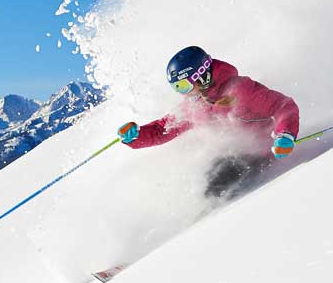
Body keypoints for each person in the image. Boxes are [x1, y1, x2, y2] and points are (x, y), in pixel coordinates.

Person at [116, 46, 301, 198]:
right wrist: (136, 136)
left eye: (183, 86)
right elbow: (162, 129)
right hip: (229, 155)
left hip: (264, 153)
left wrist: (285, 135)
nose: (183, 93)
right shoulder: (194, 106)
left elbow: (284, 106)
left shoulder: (240, 90)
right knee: (201, 179)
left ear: (201, 76)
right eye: (177, 88)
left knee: (217, 182)